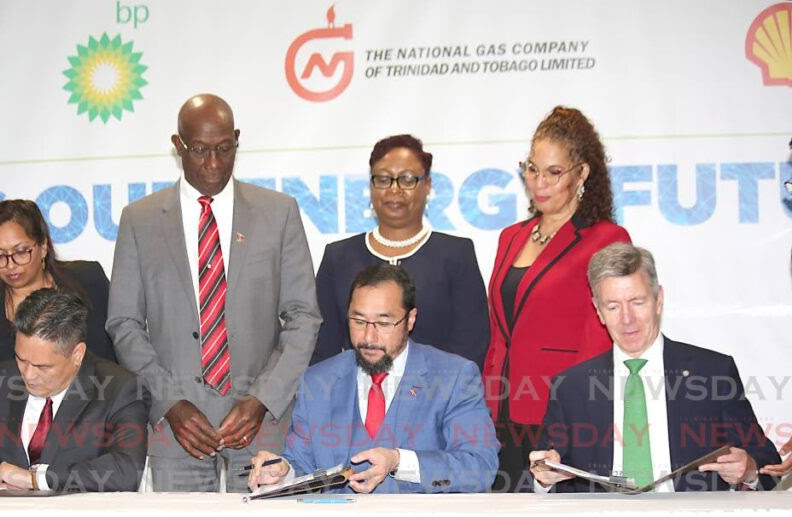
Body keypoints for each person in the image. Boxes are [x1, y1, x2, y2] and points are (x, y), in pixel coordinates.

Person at [107, 93, 321, 492]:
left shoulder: (278, 212)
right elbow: (124, 323)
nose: (213, 164)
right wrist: (169, 403)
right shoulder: (140, 220)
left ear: (236, 139)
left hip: (260, 422)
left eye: (225, 149)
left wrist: (262, 398)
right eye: (200, 150)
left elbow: (303, 316)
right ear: (178, 145)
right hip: (178, 428)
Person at [529, 243, 781, 492]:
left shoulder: (712, 372)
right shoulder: (572, 386)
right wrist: (543, 478)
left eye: (637, 302)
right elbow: (544, 472)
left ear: (658, 300)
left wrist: (748, 470)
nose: (627, 319)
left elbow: (768, 465)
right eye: (613, 307)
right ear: (598, 310)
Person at [248, 265, 498, 494]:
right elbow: (301, 464)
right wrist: (281, 472)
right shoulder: (318, 381)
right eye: (358, 321)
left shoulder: (454, 377)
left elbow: (480, 467)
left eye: (383, 322)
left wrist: (399, 461)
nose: (368, 336)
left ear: (410, 319)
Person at [483, 106, 631, 491]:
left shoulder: (606, 239)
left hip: (563, 413)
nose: (539, 182)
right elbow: (500, 334)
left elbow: (600, 339)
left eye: (553, 172)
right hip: (502, 412)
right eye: (532, 169)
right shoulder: (510, 237)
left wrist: (576, 414)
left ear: (582, 173)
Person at [312, 134, 489, 367]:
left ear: (427, 185)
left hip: (438, 396)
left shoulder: (456, 254)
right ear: (371, 186)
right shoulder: (339, 257)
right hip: (356, 397)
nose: (394, 190)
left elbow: (471, 345)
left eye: (407, 179)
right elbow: (323, 348)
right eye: (384, 179)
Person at [0, 289, 146, 492]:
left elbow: (125, 473)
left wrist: (37, 479)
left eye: (42, 367)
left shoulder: (119, 388)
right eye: (21, 359)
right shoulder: (1, 380)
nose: (28, 375)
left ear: (77, 354)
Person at [0, 199, 115, 421]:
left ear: (44, 246)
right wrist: (4, 426)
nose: (10, 265)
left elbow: (115, 355)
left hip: (93, 425)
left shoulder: (88, 280)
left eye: (20, 252)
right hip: (11, 436)